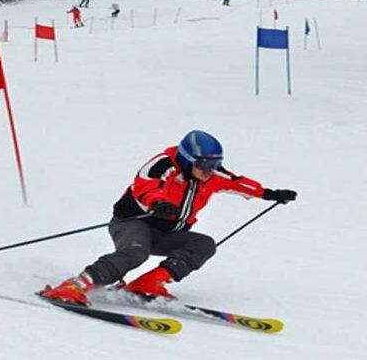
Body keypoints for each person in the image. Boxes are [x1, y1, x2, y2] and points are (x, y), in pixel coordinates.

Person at [39, 130, 297, 305]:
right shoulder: (163, 164)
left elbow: (238, 183)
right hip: (134, 223)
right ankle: (74, 286)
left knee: (203, 244)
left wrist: (269, 194)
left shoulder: (212, 175)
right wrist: (159, 202)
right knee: (136, 252)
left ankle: (148, 284)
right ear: (187, 159)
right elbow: (145, 185)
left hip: (168, 233)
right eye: (204, 165)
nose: (209, 172)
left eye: (214, 165)